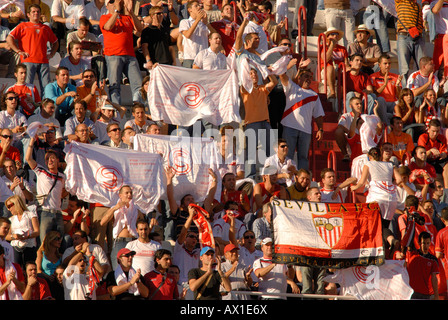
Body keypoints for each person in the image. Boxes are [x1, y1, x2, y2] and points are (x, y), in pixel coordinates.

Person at [351, 147, 400, 252]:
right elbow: (399, 180)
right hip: (391, 198)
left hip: (376, 197)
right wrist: (391, 185)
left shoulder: (368, 164)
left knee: (375, 226)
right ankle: (388, 245)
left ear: (369, 157)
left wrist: (353, 188)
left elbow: (362, 182)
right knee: (384, 225)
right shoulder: (390, 165)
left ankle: (387, 243)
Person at [6, 4, 59, 94]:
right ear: (28, 14)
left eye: (38, 12)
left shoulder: (45, 28)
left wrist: (52, 54)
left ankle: (45, 107)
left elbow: (55, 42)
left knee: (46, 88)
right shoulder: (23, 25)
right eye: (33, 12)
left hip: (43, 61)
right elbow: (9, 38)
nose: (36, 13)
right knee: (27, 86)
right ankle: (26, 107)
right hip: (28, 60)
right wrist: (18, 51)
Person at [279, 67, 325, 170]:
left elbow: (318, 115)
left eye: (310, 77)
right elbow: (281, 75)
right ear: (299, 78)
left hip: (306, 131)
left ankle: (302, 179)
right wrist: (290, 65)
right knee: (287, 156)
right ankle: (286, 178)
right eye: (305, 76)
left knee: (303, 158)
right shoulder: (292, 87)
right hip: (289, 127)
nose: (308, 79)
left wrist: (320, 129)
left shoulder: (315, 95)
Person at [100, 0, 143, 104]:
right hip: (113, 55)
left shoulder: (127, 18)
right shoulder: (104, 18)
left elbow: (140, 29)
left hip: (129, 55)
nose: (115, 3)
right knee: (115, 86)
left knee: (138, 85)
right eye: (111, 2)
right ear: (106, 6)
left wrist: (131, 12)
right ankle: (116, 111)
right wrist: (117, 11)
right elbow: (108, 26)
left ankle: (138, 108)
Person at [25, 136, 67, 242]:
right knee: (44, 243)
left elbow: (63, 193)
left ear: (58, 160)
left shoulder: (62, 176)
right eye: (47, 159)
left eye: (52, 158)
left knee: (59, 242)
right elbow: (28, 159)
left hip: (58, 213)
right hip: (44, 212)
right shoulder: (41, 171)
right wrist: (31, 141)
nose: (50, 160)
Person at [100, 185, 145, 271]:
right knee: (118, 269)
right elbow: (103, 222)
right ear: (120, 195)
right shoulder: (115, 208)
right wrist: (115, 208)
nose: (129, 195)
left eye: (131, 193)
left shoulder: (136, 209)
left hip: (133, 241)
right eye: (126, 193)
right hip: (120, 241)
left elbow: (142, 225)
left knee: (134, 268)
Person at [4, 195, 39, 270]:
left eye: (9, 206)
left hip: (29, 246)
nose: (9, 209)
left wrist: (28, 235)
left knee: (29, 268)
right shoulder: (11, 219)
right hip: (16, 246)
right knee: (17, 268)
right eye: (7, 207)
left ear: (16, 203)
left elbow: (37, 231)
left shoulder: (30, 215)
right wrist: (14, 236)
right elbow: (6, 236)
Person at [395, 0, 426, 85]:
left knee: (422, 67)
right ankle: (406, 93)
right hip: (403, 36)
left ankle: (419, 92)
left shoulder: (418, 6)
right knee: (404, 69)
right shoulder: (400, 1)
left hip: (418, 37)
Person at [179, 0, 216, 68]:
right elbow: (187, 35)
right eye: (196, 6)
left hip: (203, 58)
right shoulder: (185, 22)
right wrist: (197, 20)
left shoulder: (203, 24)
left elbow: (214, 35)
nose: (199, 7)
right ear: (190, 10)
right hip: (190, 58)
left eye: (199, 5)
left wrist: (206, 23)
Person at [368, 54, 403, 125]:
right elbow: (375, 94)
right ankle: (387, 126)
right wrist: (385, 84)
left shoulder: (395, 76)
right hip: (380, 103)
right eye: (385, 63)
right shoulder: (373, 77)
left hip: (392, 103)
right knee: (380, 100)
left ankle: (400, 127)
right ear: (379, 65)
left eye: (389, 63)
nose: (387, 65)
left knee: (398, 105)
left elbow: (399, 96)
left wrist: (397, 85)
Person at [406, 231, 440, 300]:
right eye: (423, 243)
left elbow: (434, 279)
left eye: (428, 243)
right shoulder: (412, 254)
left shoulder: (433, 260)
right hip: (411, 292)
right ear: (419, 243)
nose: (426, 246)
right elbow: (408, 239)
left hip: (425, 294)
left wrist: (436, 295)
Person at [418, 119, 448, 187]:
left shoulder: (442, 138)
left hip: (438, 161)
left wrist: (444, 154)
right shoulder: (423, 137)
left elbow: (444, 151)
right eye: (433, 131)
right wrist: (430, 151)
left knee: (447, 166)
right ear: (428, 129)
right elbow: (421, 155)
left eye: (437, 131)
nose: (435, 134)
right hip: (427, 161)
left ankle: (447, 190)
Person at [320, 27, 349, 99]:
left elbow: (346, 64)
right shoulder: (323, 47)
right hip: (326, 70)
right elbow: (325, 59)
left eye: (336, 34)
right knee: (330, 67)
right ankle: (333, 92)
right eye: (332, 34)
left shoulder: (343, 49)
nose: (335, 36)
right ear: (328, 37)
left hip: (339, 70)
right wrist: (332, 45)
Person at [335, 96, 364, 162]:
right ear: (351, 106)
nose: (359, 106)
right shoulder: (346, 116)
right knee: (338, 132)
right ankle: (345, 154)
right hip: (350, 140)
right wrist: (351, 134)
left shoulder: (365, 117)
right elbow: (340, 126)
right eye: (357, 104)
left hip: (360, 141)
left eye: (360, 104)